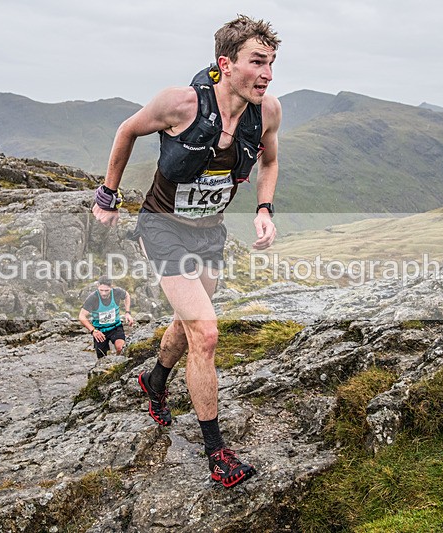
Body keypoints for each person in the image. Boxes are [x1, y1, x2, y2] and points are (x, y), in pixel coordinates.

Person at [92, 15, 281, 488]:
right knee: (207, 333)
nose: (268, 74)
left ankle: (154, 380)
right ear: (226, 63)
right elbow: (126, 131)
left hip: (209, 234)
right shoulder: (180, 103)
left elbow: (271, 159)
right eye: (257, 62)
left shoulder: (268, 111)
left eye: (272, 63)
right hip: (162, 229)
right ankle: (216, 451)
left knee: (187, 322)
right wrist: (107, 195)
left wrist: (264, 207)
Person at [78, 276, 134, 359]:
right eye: (101, 290)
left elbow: (126, 295)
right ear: (98, 287)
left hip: (115, 327)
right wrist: (93, 331)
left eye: (106, 290)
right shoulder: (93, 298)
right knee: (102, 357)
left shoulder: (117, 292)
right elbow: (81, 316)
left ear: (111, 287)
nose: (103, 293)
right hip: (100, 331)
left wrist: (127, 313)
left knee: (121, 348)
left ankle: (117, 363)